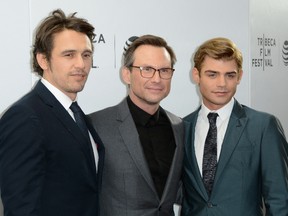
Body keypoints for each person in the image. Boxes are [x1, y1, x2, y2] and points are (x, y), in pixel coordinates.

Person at [0, 9, 104, 216]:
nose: (81, 64)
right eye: (69, 55)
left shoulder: (76, 114)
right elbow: (21, 207)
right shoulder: (24, 117)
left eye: (86, 55)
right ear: (43, 60)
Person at [181, 37, 288, 215]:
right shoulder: (182, 126)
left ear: (239, 76)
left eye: (230, 75)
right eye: (212, 74)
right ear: (196, 75)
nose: (222, 83)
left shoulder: (263, 127)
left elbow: (279, 199)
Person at [89, 34, 184, 216]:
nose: (157, 79)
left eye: (164, 70)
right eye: (146, 69)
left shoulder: (179, 126)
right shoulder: (97, 125)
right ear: (127, 74)